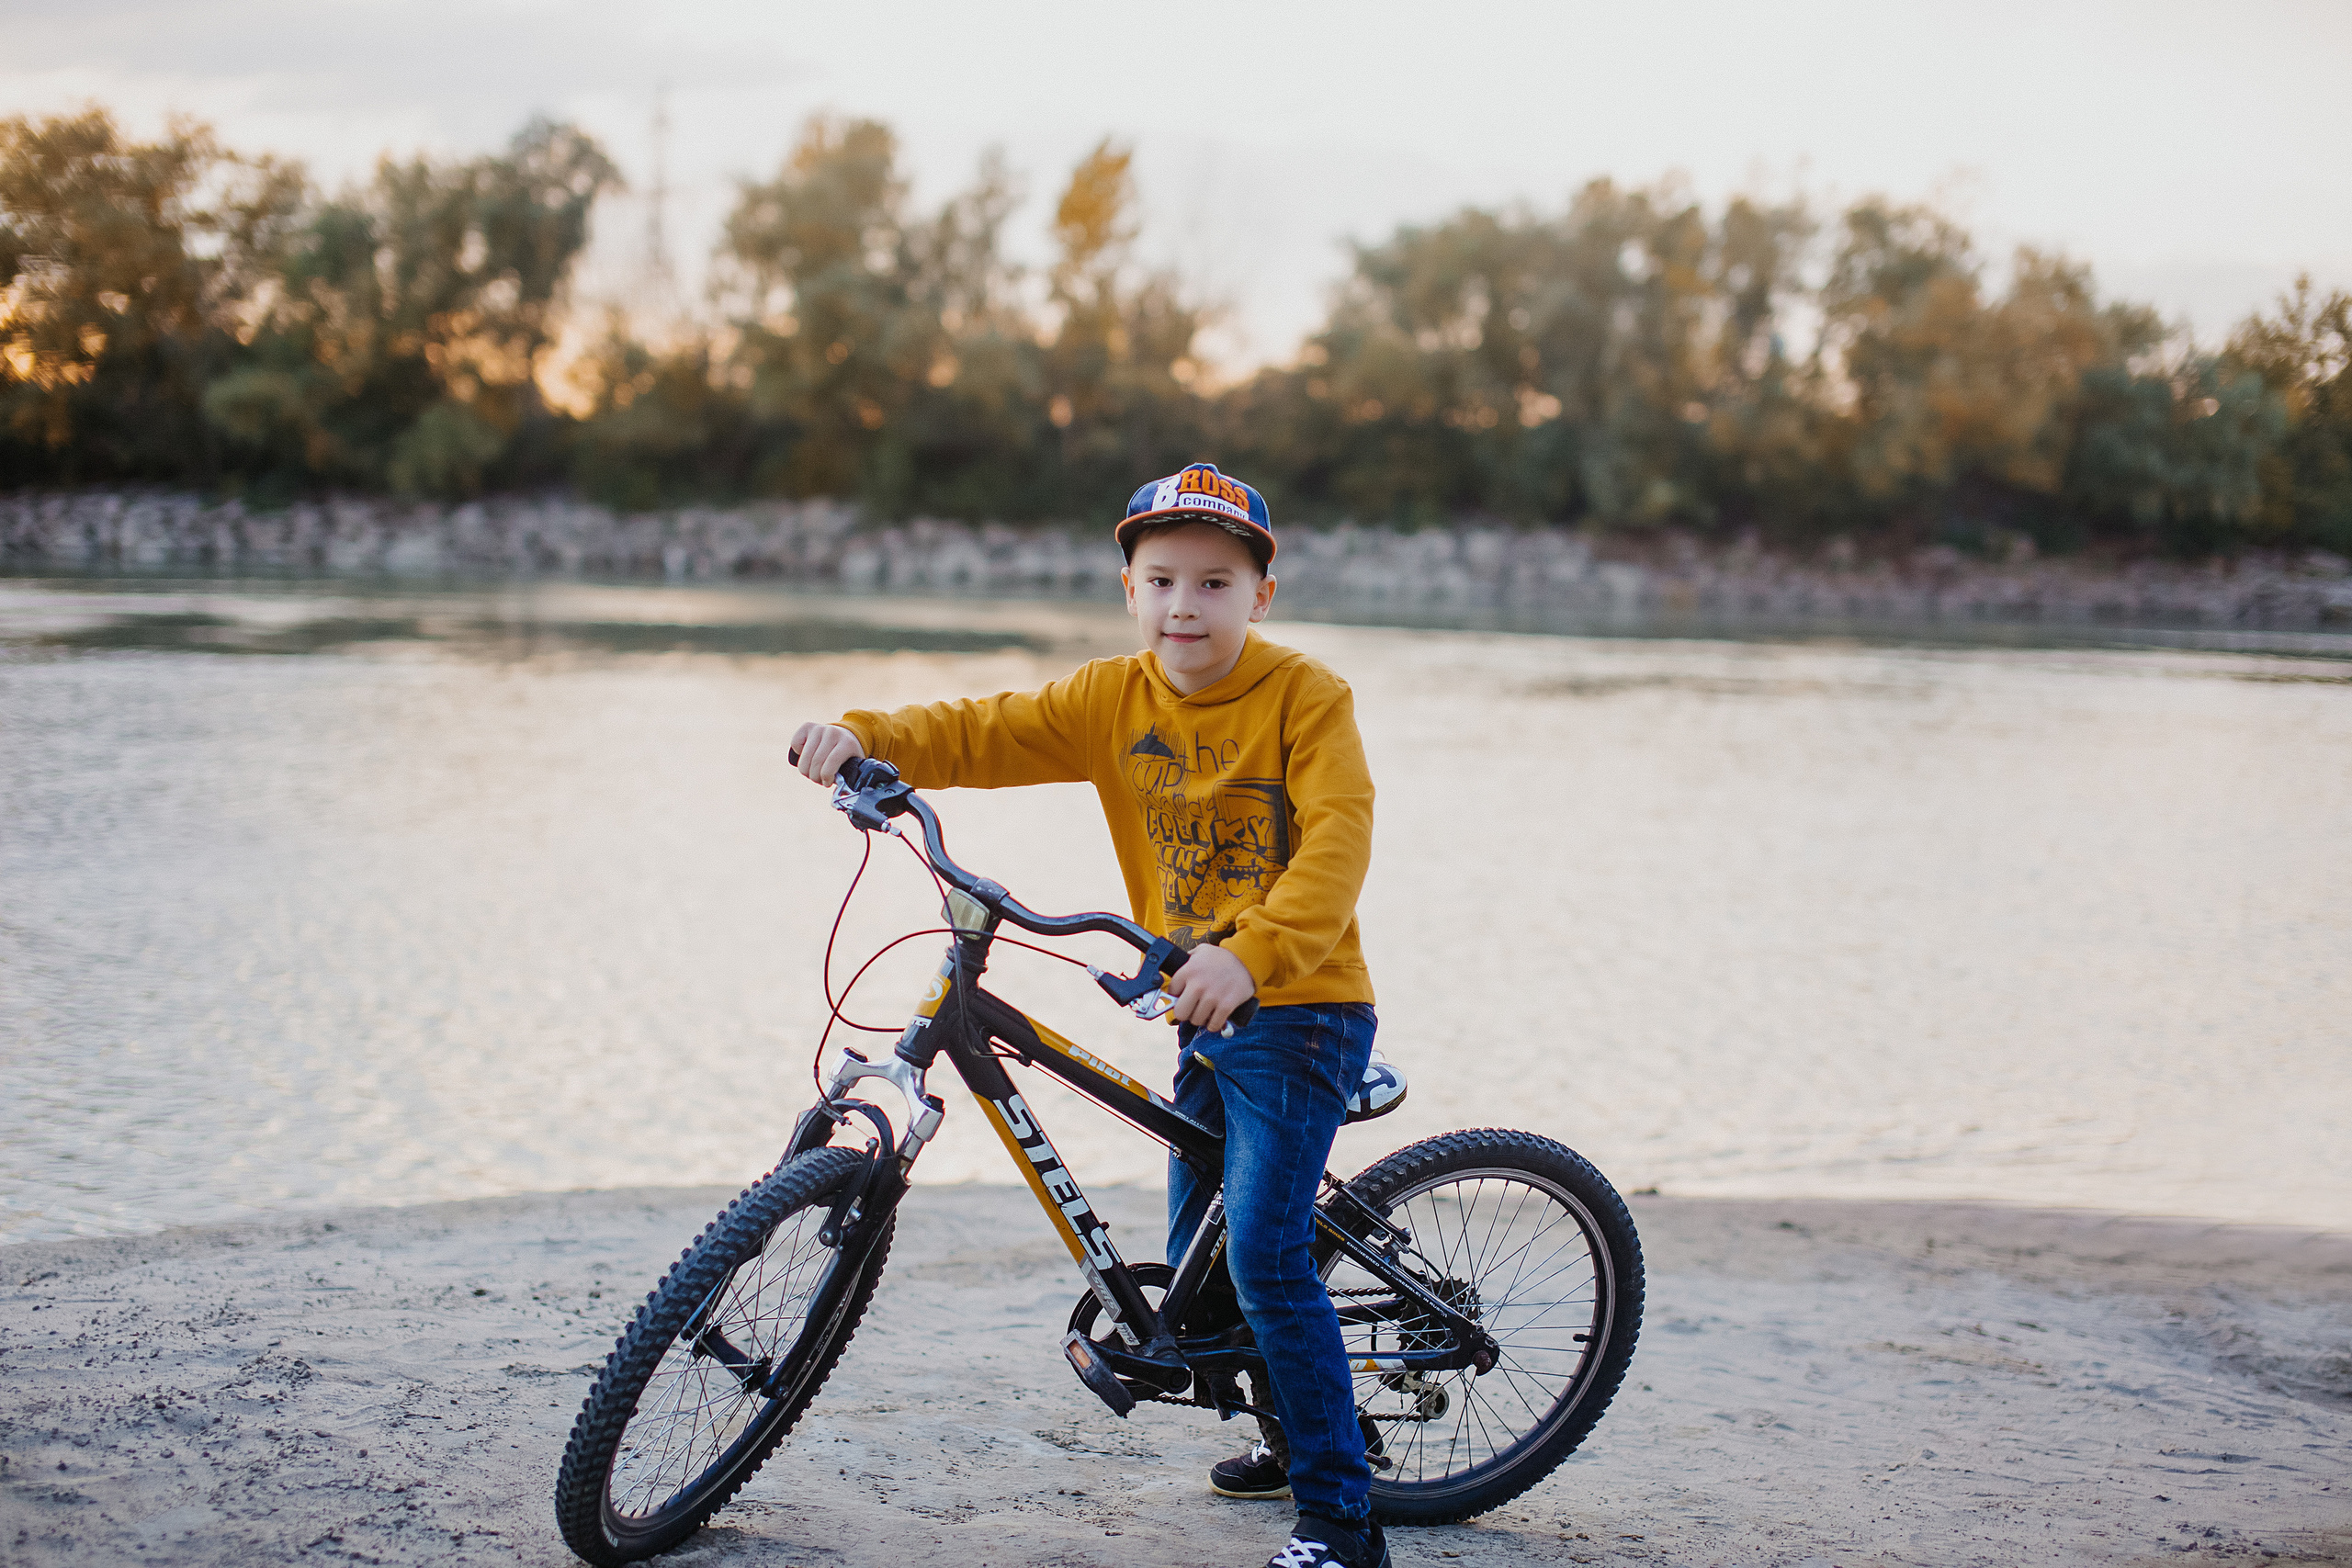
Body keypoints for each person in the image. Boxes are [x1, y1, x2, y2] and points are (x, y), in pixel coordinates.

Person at [789, 462, 1388, 1568]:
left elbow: (1338, 846)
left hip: (1298, 1007)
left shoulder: (1307, 697)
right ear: (1128, 589)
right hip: (1196, 1003)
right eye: (1160, 580)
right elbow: (984, 730)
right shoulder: (1112, 699)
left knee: (1259, 1254)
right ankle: (1287, 1425)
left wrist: (1250, 957)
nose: (1183, 607)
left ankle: (1341, 1519)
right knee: (1195, 1269)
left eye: (1213, 583)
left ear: (1260, 595)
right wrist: (860, 735)